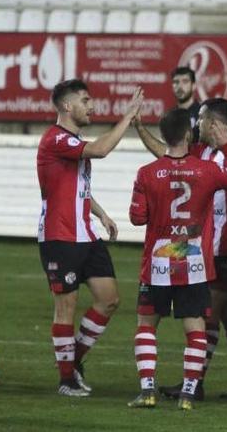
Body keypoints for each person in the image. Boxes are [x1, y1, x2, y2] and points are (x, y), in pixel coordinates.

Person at [134, 99, 227, 401]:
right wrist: (140, 128)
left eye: (201, 119)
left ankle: (195, 384)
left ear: (214, 124)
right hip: (198, 246)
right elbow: (169, 159)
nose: (196, 124)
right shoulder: (200, 151)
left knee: (207, 316)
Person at [36, 79, 143, 397]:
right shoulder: (55, 138)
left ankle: (72, 362)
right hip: (60, 236)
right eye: (85, 100)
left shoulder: (71, 140)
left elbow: (76, 186)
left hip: (85, 233)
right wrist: (127, 117)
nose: (91, 105)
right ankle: (66, 380)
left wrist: (100, 214)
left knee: (109, 299)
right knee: (66, 307)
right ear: (67, 106)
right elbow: (101, 150)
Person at [171, 66, 200, 142]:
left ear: (193, 86)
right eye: (176, 82)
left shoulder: (203, 115)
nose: (180, 86)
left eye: (185, 81)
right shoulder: (169, 116)